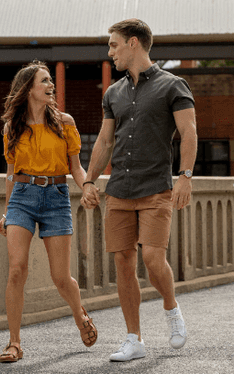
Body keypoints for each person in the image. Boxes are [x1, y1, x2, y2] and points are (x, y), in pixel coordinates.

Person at [80, 19, 198, 362]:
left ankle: (171, 308)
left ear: (133, 43)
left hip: (155, 189)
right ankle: (134, 339)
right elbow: (105, 141)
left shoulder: (172, 85)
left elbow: (189, 132)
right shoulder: (113, 93)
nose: (110, 52)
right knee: (123, 262)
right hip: (119, 190)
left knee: (152, 258)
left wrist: (185, 176)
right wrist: (90, 180)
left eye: (114, 45)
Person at [0, 61, 97, 363]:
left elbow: (75, 167)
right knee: (17, 270)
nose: (50, 85)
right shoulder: (12, 127)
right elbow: (11, 173)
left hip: (56, 197)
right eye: (44, 81)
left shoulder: (64, 122)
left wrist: (87, 187)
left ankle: (79, 315)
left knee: (60, 278)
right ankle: (14, 343)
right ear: (29, 88)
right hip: (22, 198)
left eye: (51, 80)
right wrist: (6, 211)